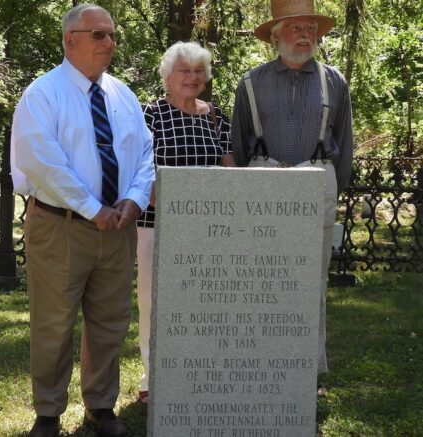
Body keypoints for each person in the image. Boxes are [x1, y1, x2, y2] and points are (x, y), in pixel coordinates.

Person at [11, 4, 154, 436]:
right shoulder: (43, 94)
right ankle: (49, 412)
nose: (109, 43)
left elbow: (145, 154)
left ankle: (101, 406)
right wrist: (95, 209)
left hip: (117, 229)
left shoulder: (123, 95)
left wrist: (132, 199)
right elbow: (43, 164)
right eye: (98, 35)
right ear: (70, 39)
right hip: (62, 226)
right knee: (54, 323)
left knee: (110, 321)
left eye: (112, 35)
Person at [231, 0, 353, 392]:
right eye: (297, 27)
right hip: (263, 180)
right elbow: (239, 142)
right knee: (258, 279)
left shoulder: (334, 81)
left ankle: (308, 371)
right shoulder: (251, 82)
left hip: (317, 179)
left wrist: (332, 185)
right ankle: (257, 363)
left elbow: (345, 144)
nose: (306, 35)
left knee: (311, 282)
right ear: (276, 34)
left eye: (311, 28)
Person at [135, 41, 234, 404]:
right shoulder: (152, 114)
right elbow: (140, 169)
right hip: (156, 223)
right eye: (184, 70)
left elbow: (228, 166)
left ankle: (196, 370)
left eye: (198, 71)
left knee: (201, 302)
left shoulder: (215, 116)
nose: (192, 78)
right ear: (168, 76)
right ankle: (151, 376)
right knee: (152, 300)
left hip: (206, 228)